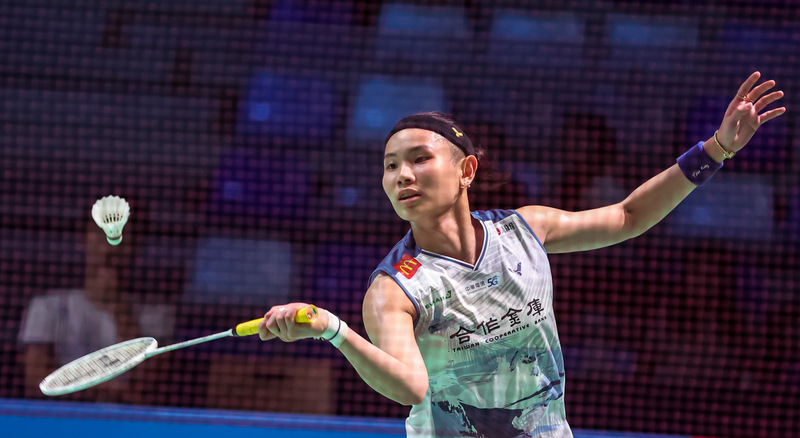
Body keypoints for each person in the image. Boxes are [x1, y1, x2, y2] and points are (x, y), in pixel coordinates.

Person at [256, 72, 785, 437]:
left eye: (419, 159)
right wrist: (333, 330)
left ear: (466, 172)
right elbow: (411, 386)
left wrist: (715, 150)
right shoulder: (395, 289)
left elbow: (627, 217)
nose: (402, 176)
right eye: (390, 165)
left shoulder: (524, 230)